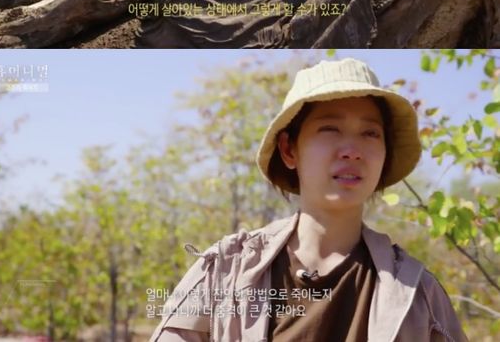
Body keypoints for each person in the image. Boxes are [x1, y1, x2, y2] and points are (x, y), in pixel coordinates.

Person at [151, 57, 467, 342]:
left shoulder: (418, 295)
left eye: (370, 134)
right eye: (330, 129)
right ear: (290, 150)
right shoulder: (225, 270)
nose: (352, 150)